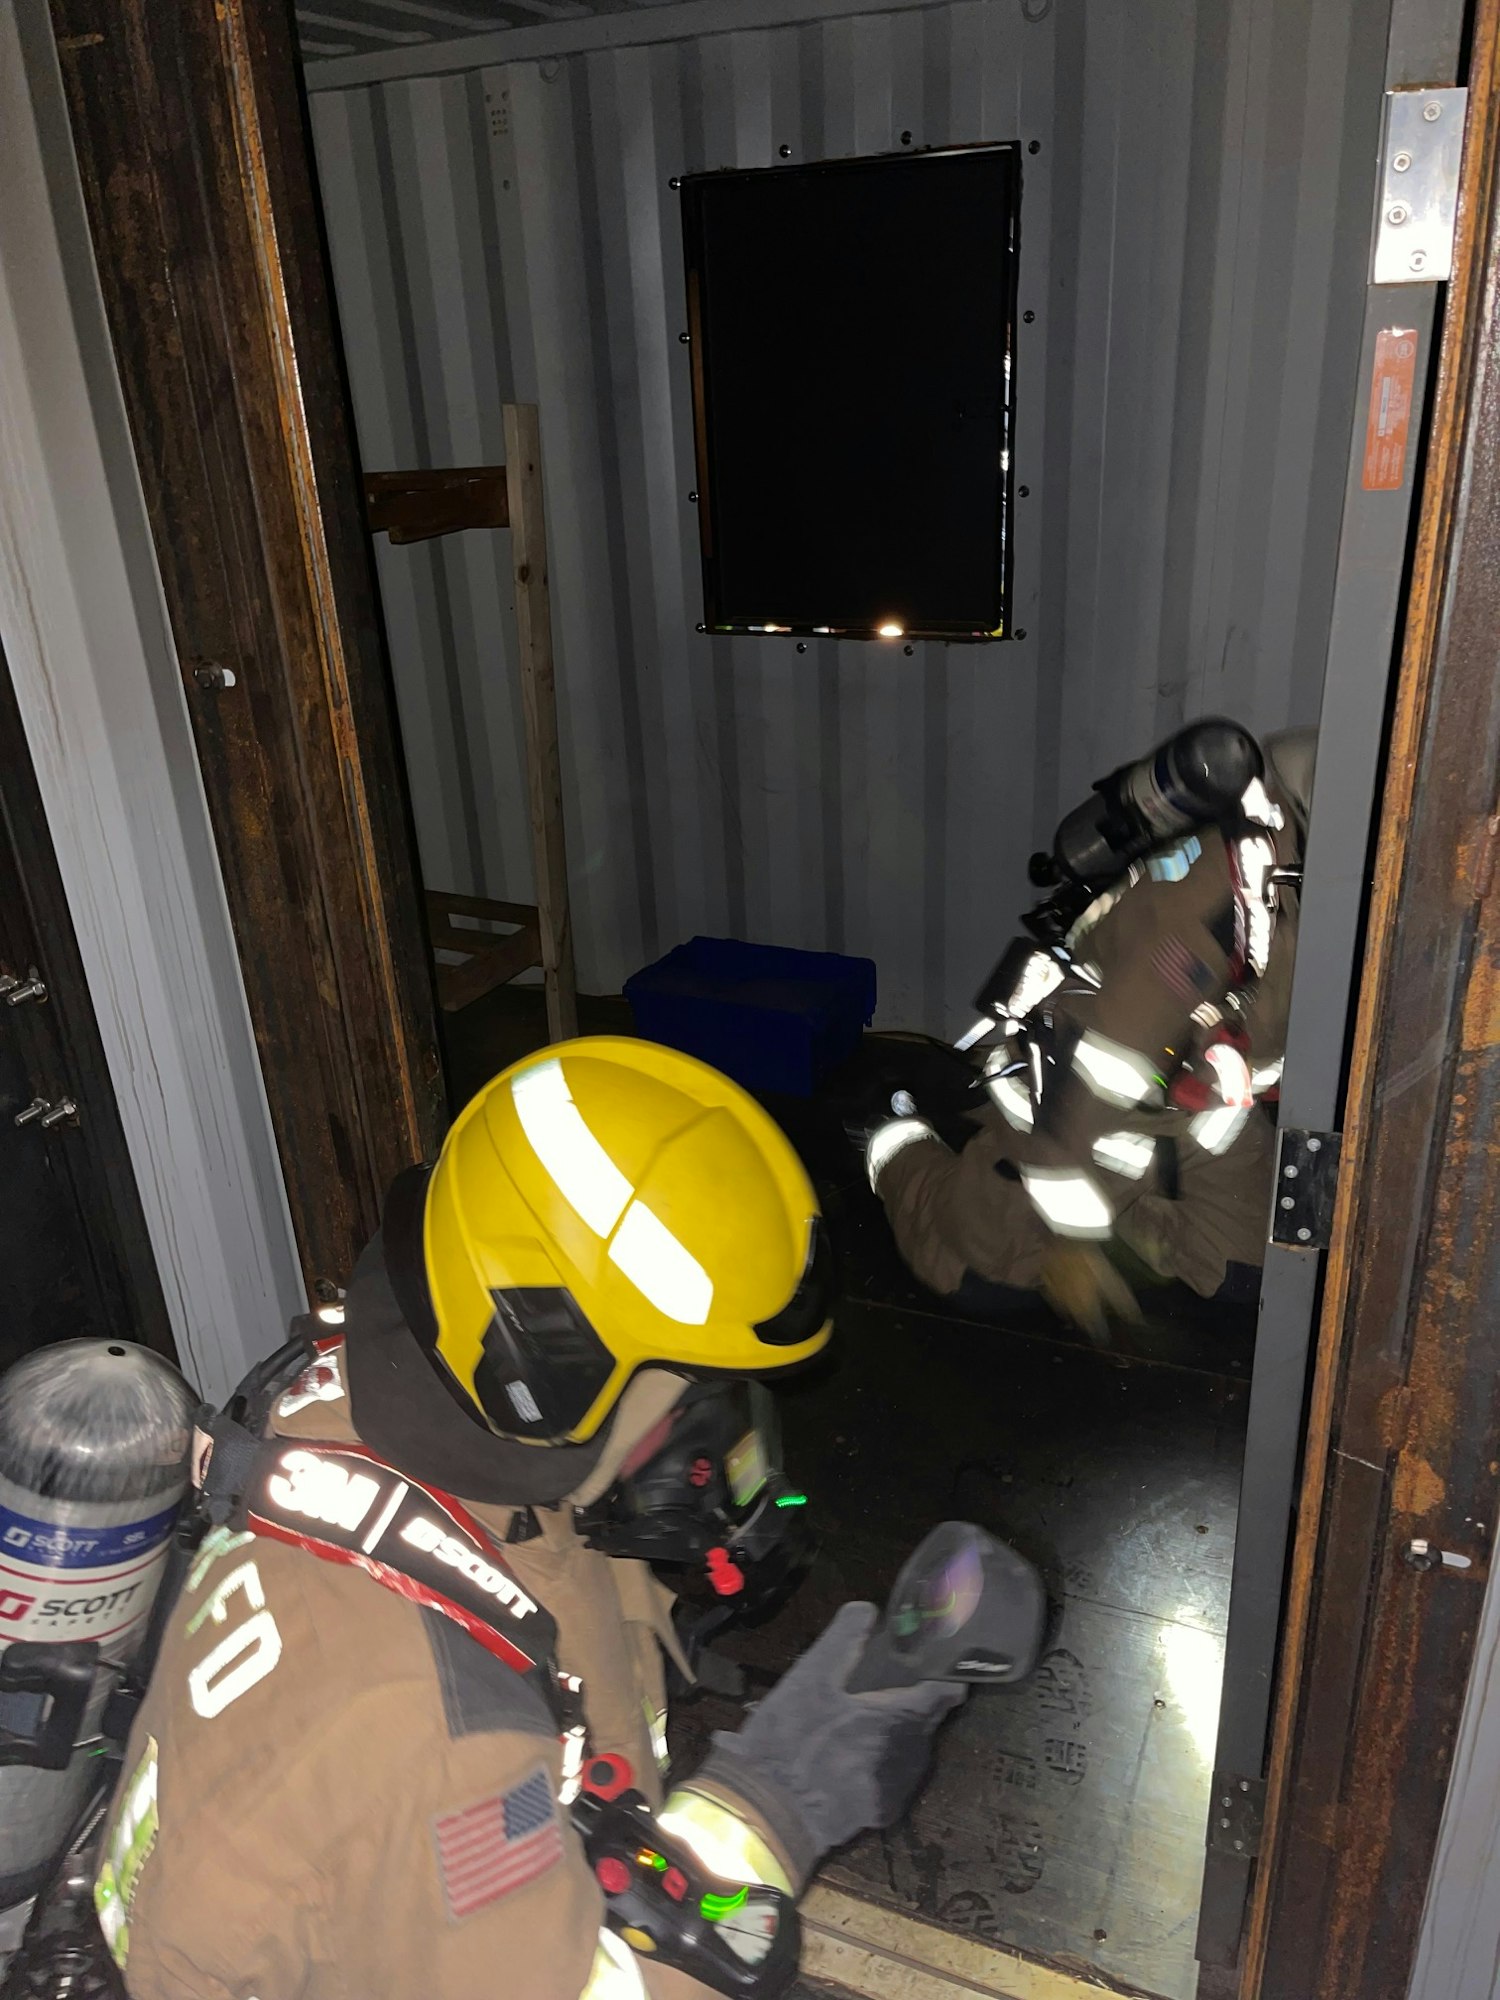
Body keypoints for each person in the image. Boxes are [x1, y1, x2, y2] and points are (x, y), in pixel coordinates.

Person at [87, 1038, 962, 2000]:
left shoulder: (374, 1400)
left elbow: (553, 1577)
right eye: (695, 1382)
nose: (718, 1432)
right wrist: (788, 1787)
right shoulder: (447, 1740)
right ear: (546, 1366)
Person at [864, 726, 1317, 1337]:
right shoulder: (1215, 911)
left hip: (1194, 1109)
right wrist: (1070, 1245)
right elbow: (1101, 1066)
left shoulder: (1311, 892)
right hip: (1077, 1105)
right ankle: (893, 1136)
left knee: (1251, 1274)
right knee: (983, 1281)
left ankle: (1129, 1214)